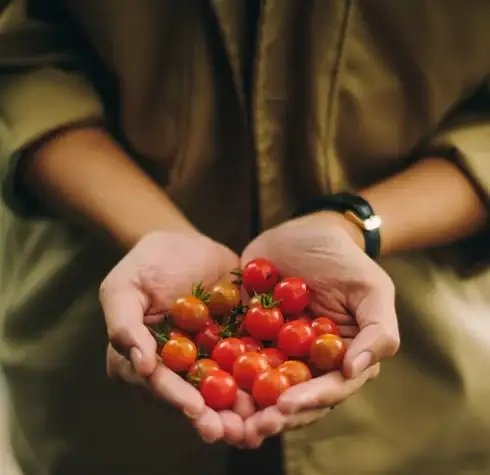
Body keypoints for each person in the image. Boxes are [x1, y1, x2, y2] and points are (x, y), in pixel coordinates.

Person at [1, 1, 489, 474]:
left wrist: (353, 225)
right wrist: (156, 231)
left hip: (428, 390)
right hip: (97, 392)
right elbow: (18, 58)